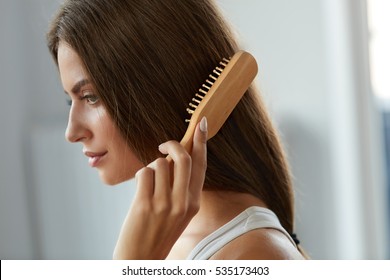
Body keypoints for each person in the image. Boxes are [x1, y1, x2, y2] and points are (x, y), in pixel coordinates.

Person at [47, 0, 306, 259]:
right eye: (71, 100)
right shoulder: (166, 231)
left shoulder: (255, 253)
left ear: (162, 90)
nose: (72, 132)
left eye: (91, 97)